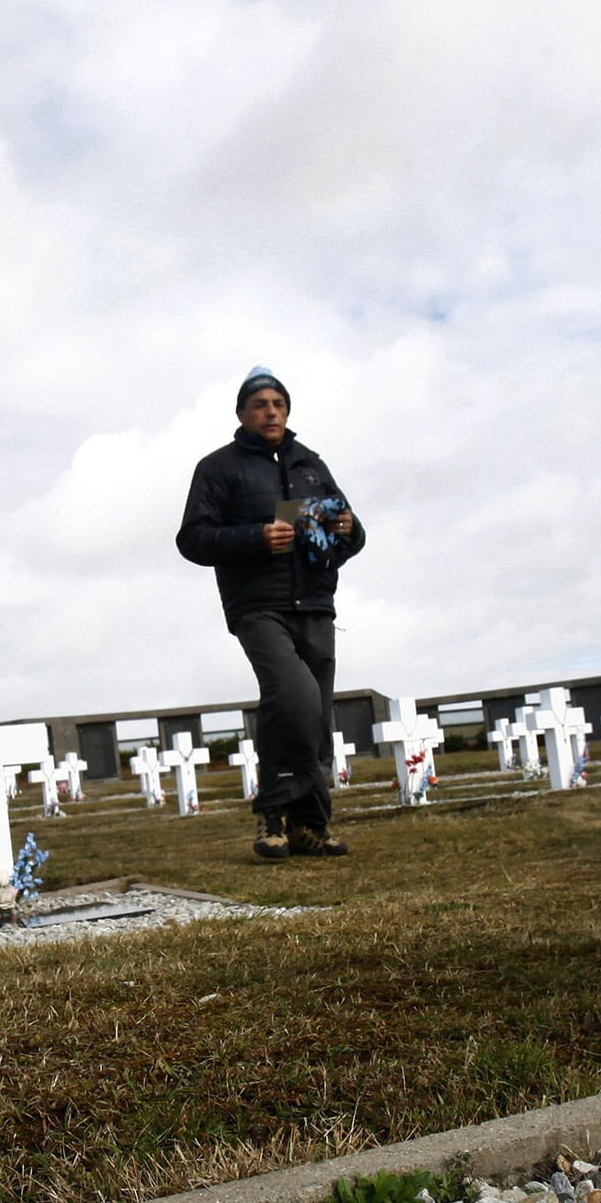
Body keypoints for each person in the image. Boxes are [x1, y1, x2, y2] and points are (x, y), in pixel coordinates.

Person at [175, 367, 365, 860]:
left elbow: (347, 535)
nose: (271, 411)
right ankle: (272, 818)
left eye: (278, 403)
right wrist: (255, 536)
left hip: (316, 603)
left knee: (316, 714)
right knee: (293, 694)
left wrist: (349, 526)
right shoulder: (218, 468)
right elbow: (192, 539)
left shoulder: (311, 464)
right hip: (258, 605)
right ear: (241, 413)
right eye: (259, 404)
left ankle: (309, 826)